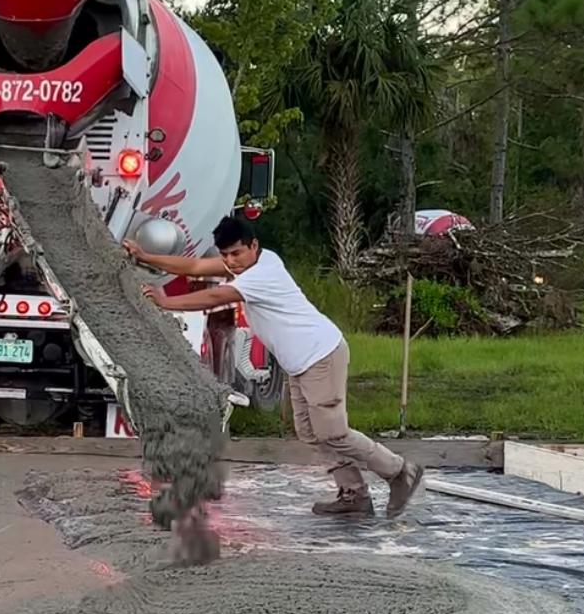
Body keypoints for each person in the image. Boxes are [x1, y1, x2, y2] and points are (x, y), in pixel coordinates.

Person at [129, 215, 423, 520]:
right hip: (298, 363)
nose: (231, 261)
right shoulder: (251, 262)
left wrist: (167, 303)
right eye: (226, 255)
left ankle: (401, 472)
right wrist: (145, 256)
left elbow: (216, 295)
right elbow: (195, 267)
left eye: (237, 253)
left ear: (254, 246)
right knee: (310, 433)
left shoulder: (262, 274)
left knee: (333, 432)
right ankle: (354, 494)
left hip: (321, 355)